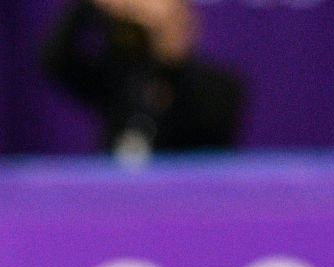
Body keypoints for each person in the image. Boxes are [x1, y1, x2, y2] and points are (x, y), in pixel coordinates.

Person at [41, 0, 245, 156]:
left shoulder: (218, 85)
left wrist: (170, 62)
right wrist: (92, 6)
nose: (169, 28)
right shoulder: (120, 76)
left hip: (182, 198)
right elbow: (55, 60)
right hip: (115, 196)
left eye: (178, 21)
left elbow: (210, 138)